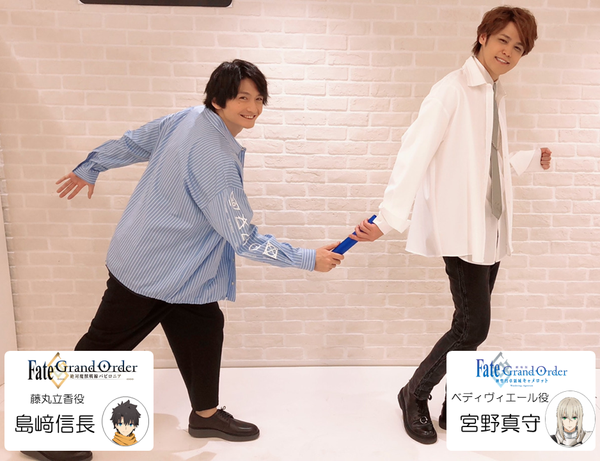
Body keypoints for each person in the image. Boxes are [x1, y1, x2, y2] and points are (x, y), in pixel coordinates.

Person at [23, 59, 343, 461]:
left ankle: (205, 415)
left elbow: (134, 143)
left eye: (259, 99)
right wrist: (308, 259)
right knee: (104, 348)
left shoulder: (189, 118)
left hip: (180, 268)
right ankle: (46, 432)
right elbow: (242, 238)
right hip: (152, 269)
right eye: (243, 98)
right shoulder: (216, 161)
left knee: (205, 327)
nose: (253, 108)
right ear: (218, 99)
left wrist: (93, 165)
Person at [350, 6, 552, 445]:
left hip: (490, 228)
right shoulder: (451, 91)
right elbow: (414, 154)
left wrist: (527, 158)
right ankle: (414, 393)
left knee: (468, 323)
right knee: (472, 327)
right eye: (503, 40)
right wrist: (388, 218)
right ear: (483, 36)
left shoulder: (493, 92)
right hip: (463, 230)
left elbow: (486, 162)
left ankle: (452, 404)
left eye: (519, 47)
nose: (509, 52)